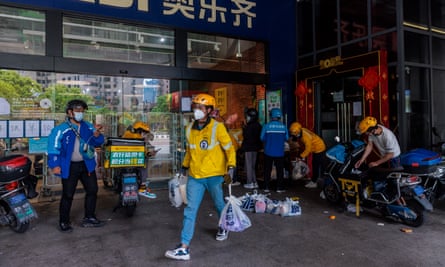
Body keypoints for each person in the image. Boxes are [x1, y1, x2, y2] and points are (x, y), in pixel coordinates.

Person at [165, 93, 237, 261]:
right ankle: (184, 247)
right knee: (190, 210)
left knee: (219, 205)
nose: (196, 110)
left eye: (200, 107)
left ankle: (223, 226)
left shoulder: (217, 127)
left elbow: (229, 149)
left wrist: (231, 166)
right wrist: (184, 166)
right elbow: (190, 150)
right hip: (195, 176)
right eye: (195, 107)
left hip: (214, 176)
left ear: (209, 110)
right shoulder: (189, 128)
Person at [47, 99, 105, 233]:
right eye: (78, 111)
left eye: (82, 111)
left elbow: (98, 142)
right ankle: (64, 221)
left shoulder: (88, 126)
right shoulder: (60, 129)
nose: (81, 114)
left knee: (92, 190)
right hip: (69, 166)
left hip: (86, 165)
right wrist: (55, 164)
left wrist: (97, 134)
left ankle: (89, 217)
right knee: (68, 194)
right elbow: (53, 148)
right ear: (70, 112)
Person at [122, 121, 157, 198]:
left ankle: (143, 185)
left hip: (133, 161)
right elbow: (131, 136)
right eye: (143, 132)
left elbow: (143, 151)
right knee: (144, 164)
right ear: (139, 130)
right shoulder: (130, 134)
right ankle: (142, 187)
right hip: (127, 160)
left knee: (145, 160)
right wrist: (143, 138)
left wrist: (149, 153)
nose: (144, 134)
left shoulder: (140, 139)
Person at [289, 122, 326, 189]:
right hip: (317, 148)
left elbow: (308, 149)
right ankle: (314, 181)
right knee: (315, 164)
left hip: (319, 148)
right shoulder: (301, 130)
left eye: (295, 134)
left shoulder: (306, 137)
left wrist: (301, 156)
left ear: (298, 132)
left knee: (318, 165)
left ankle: (322, 184)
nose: (294, 136)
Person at [260, 108, 289, 193]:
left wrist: (268, 139)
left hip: (268, 151)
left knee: (267, 170)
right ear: (279, 116)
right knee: (280, 170)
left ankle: (266, 187)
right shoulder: (284, 127)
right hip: (280, 152)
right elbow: (286, 138)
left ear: (271, 116)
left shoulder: (266, 126)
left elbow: (261, 138)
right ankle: (279, 188)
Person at [241, 108, 262, 189]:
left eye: (248, 116)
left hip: (249, 147)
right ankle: (254, 182)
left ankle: (249, 182)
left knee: (249, 166)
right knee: (253, 166)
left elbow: (246, 136)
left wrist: (244, 127)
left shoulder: (249, 126)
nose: (247, 118)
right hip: (256, 148)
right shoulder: (259, 125)